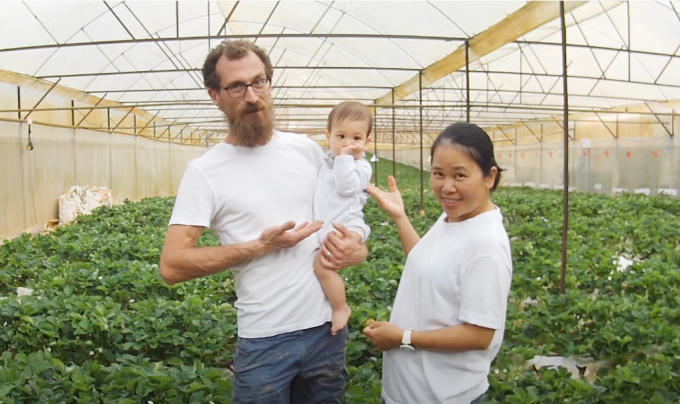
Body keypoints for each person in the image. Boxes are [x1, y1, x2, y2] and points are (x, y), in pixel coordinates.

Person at [158, 39, 368, 404]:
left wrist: (357, 249)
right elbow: (172, 265)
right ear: (215, 95)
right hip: (265, 339)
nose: (252, 96)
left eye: (259, 82)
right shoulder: (205, 172)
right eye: (236, 87)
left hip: (327, 332)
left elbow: (344, 215)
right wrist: (261, 246)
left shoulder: (305, 150)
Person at [363, 122, 513, 404]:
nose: (447, 187)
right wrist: (400, 216)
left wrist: (403, 337)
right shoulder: (454, 218)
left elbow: (479, 334)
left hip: (443, 396)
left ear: (489, 176)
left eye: (459, 175)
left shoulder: (486, 244)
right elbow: (425, 260)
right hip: (408, 392)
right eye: (438, 174)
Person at [313, 101, 373, 335]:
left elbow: (347, 186)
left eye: (356, 138)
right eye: (341, 136)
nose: (349, 143)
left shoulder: (361, 166)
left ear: (366, 142)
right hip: (332, 224)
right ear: (328, 137)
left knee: (323, 266)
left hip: (348, 225)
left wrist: (346, 157)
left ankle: (340, 307)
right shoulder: (326, 163)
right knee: (323, 265)